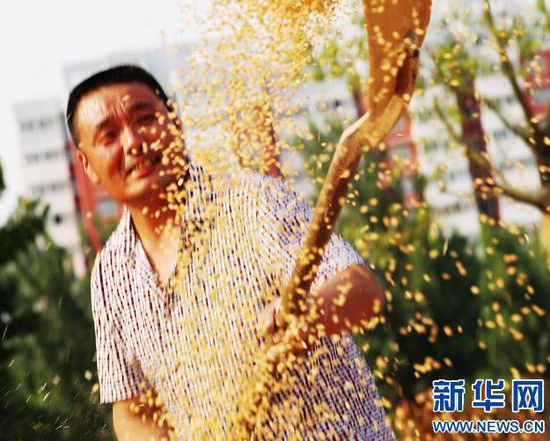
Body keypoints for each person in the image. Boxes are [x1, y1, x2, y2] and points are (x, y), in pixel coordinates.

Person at [67, 64, 395, 440]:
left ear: (175, 123)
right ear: (87, 165)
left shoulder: (252, 202)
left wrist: (307, 317)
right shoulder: (110, 275)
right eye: (109, 135)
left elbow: (362, 291)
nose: (133, 142)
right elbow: (133, 411)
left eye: (145, 119)